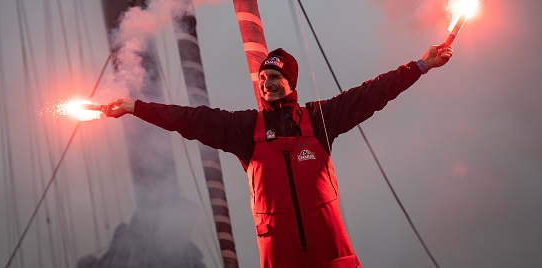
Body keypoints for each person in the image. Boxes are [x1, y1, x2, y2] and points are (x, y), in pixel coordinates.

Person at [104, 42, 453, 268]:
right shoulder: (245, 129)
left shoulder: (318, 119)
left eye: (274, 77)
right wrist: (136, 107)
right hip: (280, 257)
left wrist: (420, 66)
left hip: (331, 255)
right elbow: (190, 119)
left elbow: (371, 93)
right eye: (262, 78)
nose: (267, 83)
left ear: (290, 82)